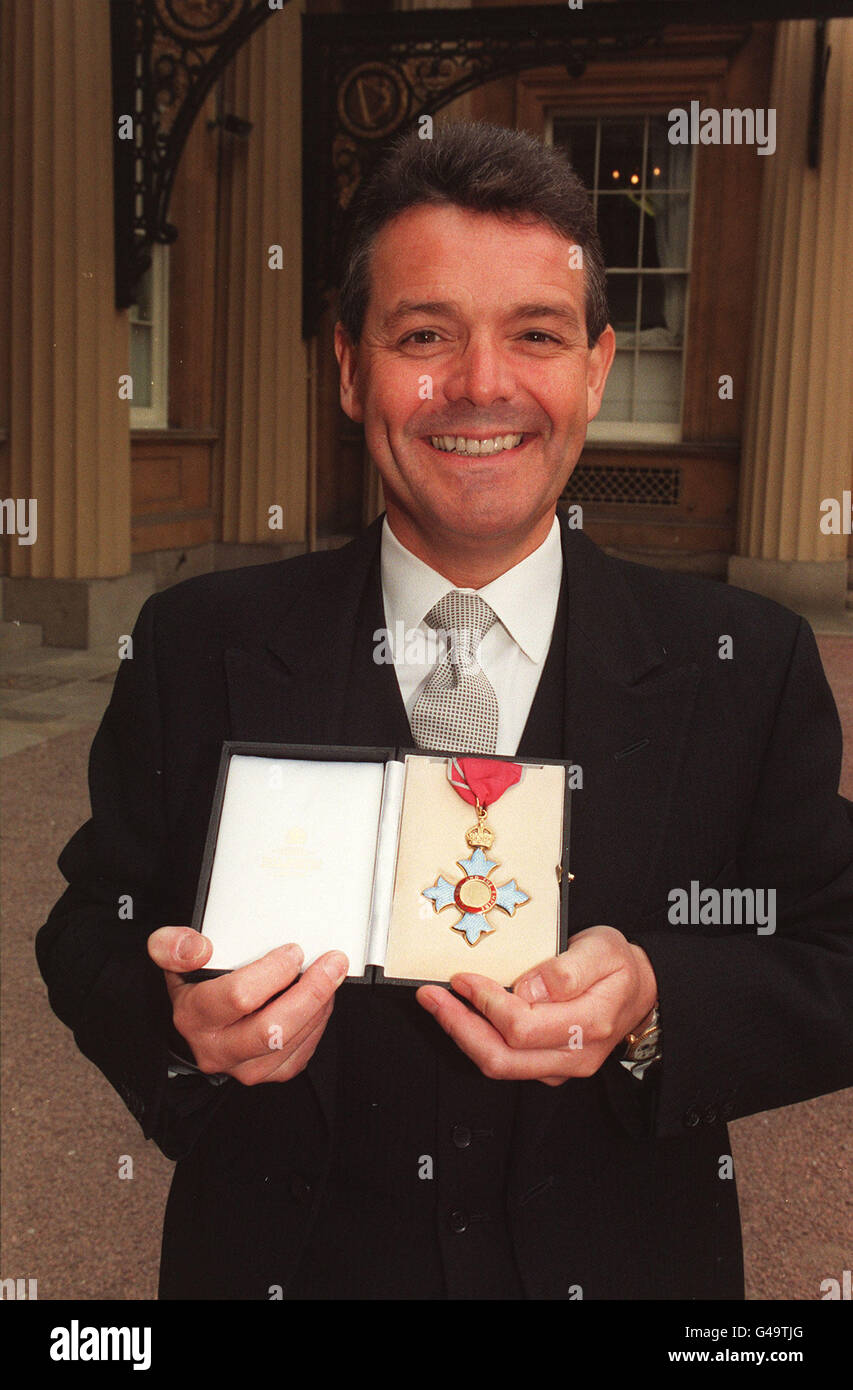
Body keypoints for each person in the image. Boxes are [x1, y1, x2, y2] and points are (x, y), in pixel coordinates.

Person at [37, 121, 853, 1301]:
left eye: (536, 334)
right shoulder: (197, 641)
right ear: (347, 364)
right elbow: (89, 927)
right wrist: (177, 1021)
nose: (480, 385)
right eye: (424, 335)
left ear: (595, 367)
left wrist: (657, 1001)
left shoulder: (742, 661)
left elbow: (833, 949)